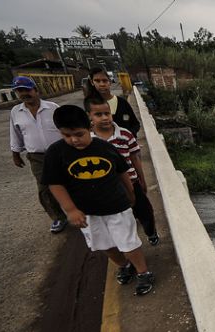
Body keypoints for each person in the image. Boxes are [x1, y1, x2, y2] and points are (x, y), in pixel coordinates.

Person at [42, 105, 155, 296]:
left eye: (79, 134)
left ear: (89, 127)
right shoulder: (56, 153)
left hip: (116, 205)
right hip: (87, 211)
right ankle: (124, 265)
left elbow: (122, 172)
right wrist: (71, 210)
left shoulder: (104, 147)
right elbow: (55, 183)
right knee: (104, 244)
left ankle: (143, 272)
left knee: (128, 242)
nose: (74, 140)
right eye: (67, 135)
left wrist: (131, 193)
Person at [84, 97, 160, 245]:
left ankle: (151, 232)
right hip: (107, 188)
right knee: (118, 216)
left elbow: (135, 158)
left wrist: (142, 180)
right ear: (89, 116)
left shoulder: (125, 134)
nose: (104, 118)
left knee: (144, 210)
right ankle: (125, 243)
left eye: (107, 113)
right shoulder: (89, 140)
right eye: (98, 114)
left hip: (132, 182)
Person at [9, 76, 68, 233]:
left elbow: (65, 128)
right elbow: (15, 133)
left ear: (36, 90)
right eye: (19, 91)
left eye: (26, 90)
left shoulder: (52, 108)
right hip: (37, 157)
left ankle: (81, 210)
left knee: (70, 182)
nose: (24, 94)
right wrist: (15, 153)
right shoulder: (16, 112)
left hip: (60, 153)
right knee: (44, 188)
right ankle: (58, 217)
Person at [86, 67, 140, 137]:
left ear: (110, 82)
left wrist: (128, 137)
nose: (102, 84)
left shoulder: (122, 103)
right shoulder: (90, 105)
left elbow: (135, 124)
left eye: (105, 80)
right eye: (97, 81)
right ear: (92, 82)